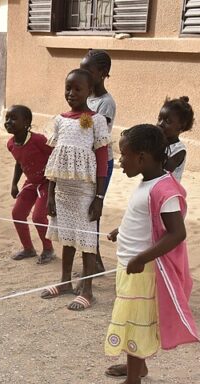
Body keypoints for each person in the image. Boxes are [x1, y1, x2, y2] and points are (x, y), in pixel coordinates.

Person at [96, 124, 199, 384]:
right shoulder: (148, 182)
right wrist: (122, 231)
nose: (121, 161)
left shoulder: (164, 189)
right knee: (135, 318)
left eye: (124, 155)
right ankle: (137, 367)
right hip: (131, 265)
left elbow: (177, 233)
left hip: (142, 270)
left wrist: (142, 258)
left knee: (135, 321)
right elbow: (144, 219)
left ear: (141, 157)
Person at [40, 69, 109, 311]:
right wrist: (50, 195)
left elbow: (102, 161)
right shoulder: (59, 120)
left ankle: (87, 289)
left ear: (89, 91)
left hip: (85, 193)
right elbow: (54, 162)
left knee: (87, 241)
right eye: (68, 88)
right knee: (67, 237)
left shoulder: (96, 121)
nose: (71, 93)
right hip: (62, 192)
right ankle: (65, 282)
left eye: (78, 89)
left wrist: (99, 197)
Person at [81, 50, 117, 273]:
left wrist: (79, 112)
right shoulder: (84, 96)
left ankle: (94, 261)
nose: (83, 74)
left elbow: (93, 131)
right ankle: (94, 261)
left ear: (102, 73)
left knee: (92, 209)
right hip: (85, 161)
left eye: (88, 70)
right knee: (84, 210)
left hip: (100, 163)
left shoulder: (106, 103)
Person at [4, 105, 54, 264]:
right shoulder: (11, 144)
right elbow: (19, 163)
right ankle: (28, 249)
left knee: (38, 217)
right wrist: (14, 184)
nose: (8, 122)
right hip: (31, 183)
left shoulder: (39, 140)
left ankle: (48, 249)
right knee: (17, 214)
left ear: (26, 122)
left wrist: (54, 187)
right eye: (7, 118)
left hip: (47, 182)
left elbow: (55, 157)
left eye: (13, 119)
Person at [158, 96, 194, 182]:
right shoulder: (158, 142)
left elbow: (163, 172)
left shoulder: (179, 151)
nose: (160, 124)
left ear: (181, 127)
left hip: (167, 189)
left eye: (167, 121)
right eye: (159, 119)